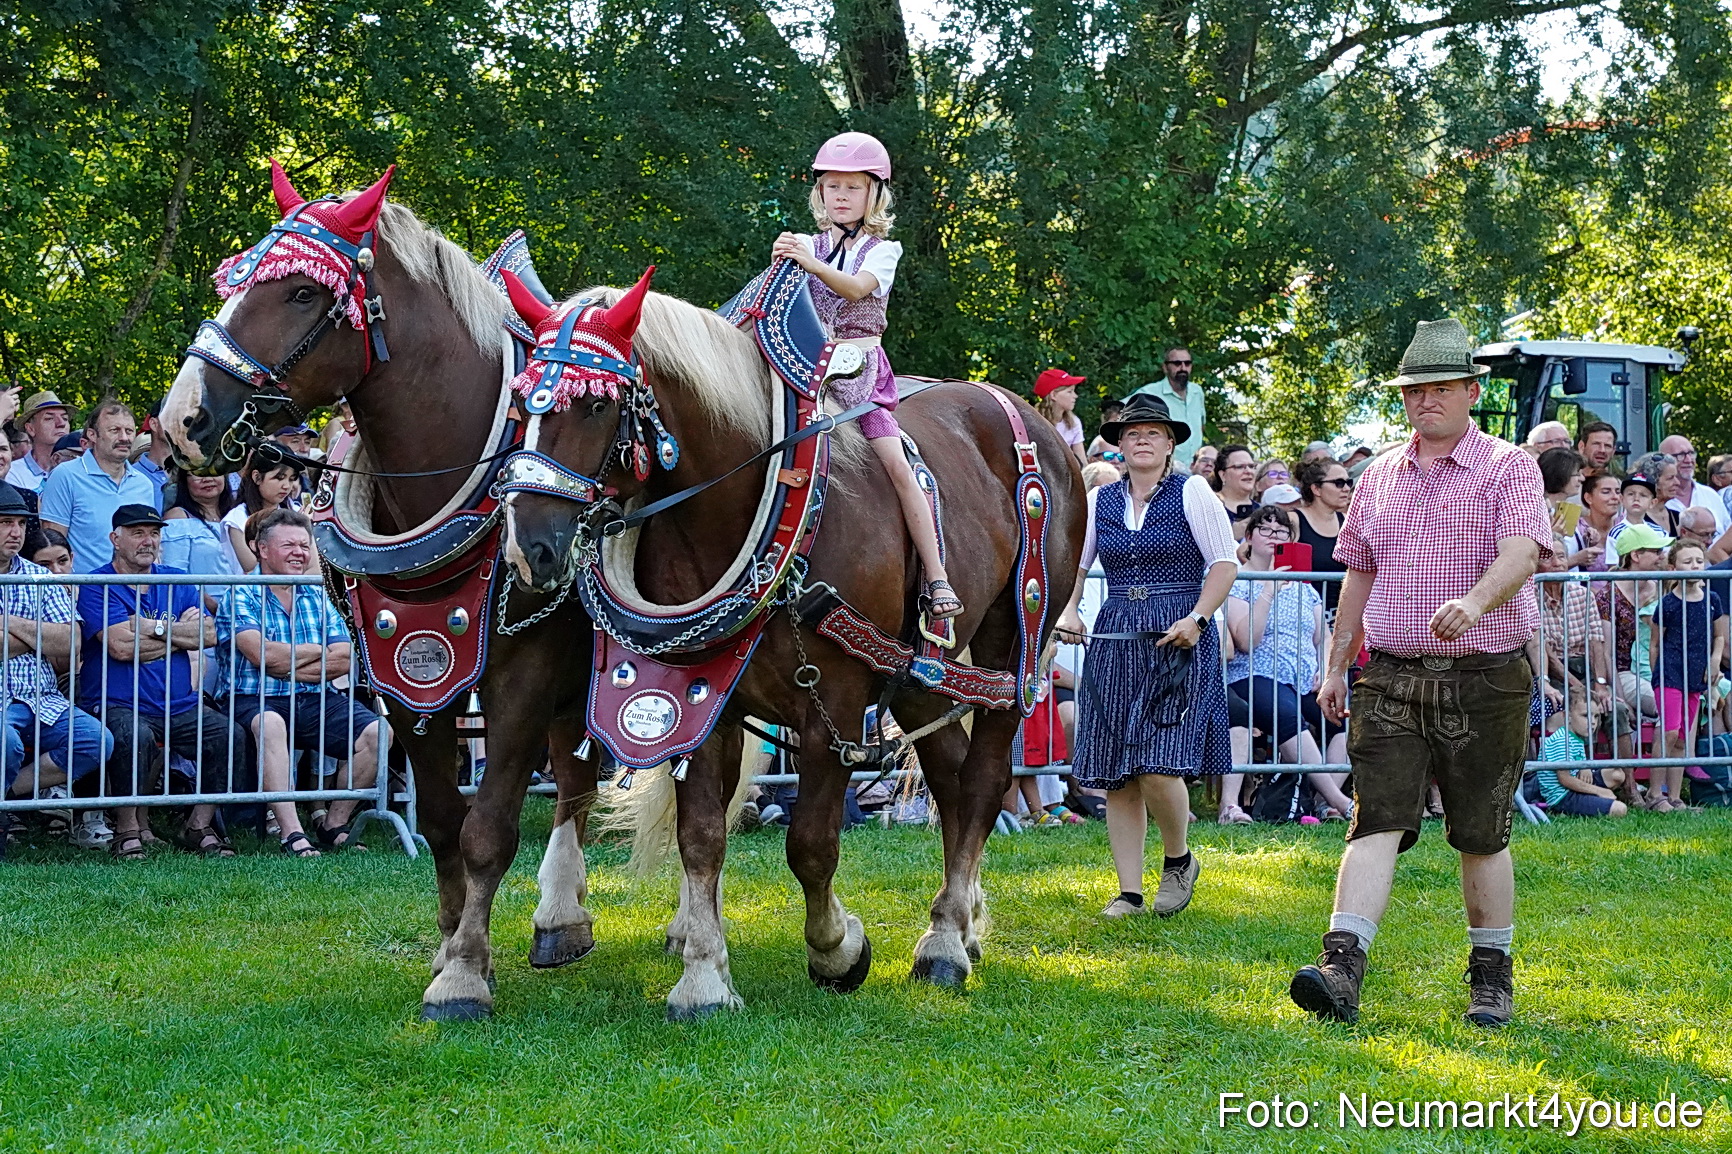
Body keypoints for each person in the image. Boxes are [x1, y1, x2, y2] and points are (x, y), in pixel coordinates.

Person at [1289, 318, 1552, 1029]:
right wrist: (1337, 664)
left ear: (1471, 391)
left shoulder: (1509, 466)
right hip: (1391, 676)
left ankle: (1490, 979)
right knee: (1375, 821)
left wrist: (1473, 601)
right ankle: (1341, 968)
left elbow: (1525, 552)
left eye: (1439, 388)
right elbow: (1358, 576)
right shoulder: (1376, 475)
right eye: (1413, 390)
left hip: (1487, 676)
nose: (1424, 400)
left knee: (1481, 832)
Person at [1055, 392, 1236, 919]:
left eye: (1152, 432)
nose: (1141, 440)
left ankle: (1179, 860)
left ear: (1170, 442)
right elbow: (1079, 568)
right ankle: (1129, 891)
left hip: (1176, 634)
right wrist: (1069, 611)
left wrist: (1197, 619)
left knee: (1157, 762)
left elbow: (1224, 564)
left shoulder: (1192, 490)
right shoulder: (1102, 502)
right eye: (1132, 433)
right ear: (1119, 443)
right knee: (1118, 771)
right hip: (1116, 634)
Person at [770, 131, 962, 620]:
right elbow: (777, 305)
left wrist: (807, 263)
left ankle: (937, 576)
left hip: (859, 377)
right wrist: (779, 270)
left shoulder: (883, 251)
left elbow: (856, 290)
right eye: (831, 186)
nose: (840, 196)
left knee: (895, 464)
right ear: (819, 193)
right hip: (805, 373)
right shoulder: (803, 244)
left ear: (873, 195)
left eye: (852, 187)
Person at [77, 505, 244, 859]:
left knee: (229, 736)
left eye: (154, 533)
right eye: (137, 533)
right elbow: (120, 647)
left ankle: (198, 825)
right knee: (132, 735)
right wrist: (180, 634)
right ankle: (127, 830)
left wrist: (150, 627)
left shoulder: (176, 578)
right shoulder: (97, 584)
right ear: (115, 538)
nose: (148, 541)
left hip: (178, 703)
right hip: (115, 701)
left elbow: (211, 633)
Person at [217, 508, 386, 856]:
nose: (300, 553)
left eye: (305, 545)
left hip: (313, 696)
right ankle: (292, 833)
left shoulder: (319, 592)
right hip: (252, 697)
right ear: (262, 550)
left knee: (379, 733)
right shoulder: (239, 593)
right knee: (272, 724)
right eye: (288, 545)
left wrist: (285, 662)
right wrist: (312, 653)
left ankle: (334, 823)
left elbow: (342, 659)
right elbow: (263, 658)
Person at [0, 483, 114, 859]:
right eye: (5, 523)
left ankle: (5, 798)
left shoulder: (39, 577)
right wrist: (38, 635)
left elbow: (70, 643)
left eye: (19, 523)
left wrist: (8, 622)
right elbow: (54, 638)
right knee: (6, 743)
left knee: (96, 740)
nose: (15, 532)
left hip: (43, 698)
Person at [1223, 506, 1354, 818]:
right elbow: (1246, 640)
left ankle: (1319, 802)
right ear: (1249, 537)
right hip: (1253, 675)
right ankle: (1339, 800)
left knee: (1345, 719)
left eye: (1282, 532)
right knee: (1286, 713)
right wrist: (1267, 589)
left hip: (1303, 678)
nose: (1274, 536)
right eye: (1266, 530)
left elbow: (1323, 638)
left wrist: (1324, 670)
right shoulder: (1239, 582)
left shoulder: (1305, 588)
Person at [1649, 539, 1727, 811]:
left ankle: (1675, 796)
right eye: (1687, 561)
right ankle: (1654, 793)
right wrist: (1656, 674)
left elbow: (1719, 635)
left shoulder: (1712, 599)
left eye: (1698, 560)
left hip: (1696, 676)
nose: (1694, 566)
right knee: (1668, 732)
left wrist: (1715, 660)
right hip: (1670, 673)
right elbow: (1656, 643)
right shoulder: (1668, 604)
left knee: (1683, 738)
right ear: (1673, 567)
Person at [40, 399, 157, 573]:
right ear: (92, 435)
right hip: (83, 593)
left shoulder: (143, 484)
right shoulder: (66, 475)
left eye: (129, 431)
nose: (124, 438)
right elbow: (53, 545)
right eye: (114, 431)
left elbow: (150, 543)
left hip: (134, 594)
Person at [1532, 693, 1628, 818]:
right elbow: (1564, 779)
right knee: (1620, 809)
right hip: (1563, 797)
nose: (1593, 722)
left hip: (1574, 784)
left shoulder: (1576, 736)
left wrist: (1585, 767)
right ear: (1568, 716)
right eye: (1585, 715)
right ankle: (1562, 811)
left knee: (1617, 774)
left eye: (1596, 716)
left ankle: (1590, 801)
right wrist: (1600, 791)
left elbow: (1576, 761)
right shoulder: (1562, 740)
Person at [225, 450, 305, 572]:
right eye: (279, 478)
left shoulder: (296, 511)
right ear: (257, 477)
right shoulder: (237, 519)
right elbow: (252, 567)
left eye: (291, 479)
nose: (286, 486)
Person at [1294, 458, 1353, 621]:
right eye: (1338, 483)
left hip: (1341, 618)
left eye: (1348, 482)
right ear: (1316, 489)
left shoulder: (1349, 521)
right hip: (1305, 618)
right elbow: (1246, 551)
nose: (1347, 488)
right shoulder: (1293, 520)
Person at [1131, 347, 1206, 469]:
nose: (1183, 368)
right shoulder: (1150, 393)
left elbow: (1201, 426)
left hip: (1193, 470)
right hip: (1165, 470)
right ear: (1165, 367)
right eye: (1177, 363)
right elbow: (1116, 412)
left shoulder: (1197, 392)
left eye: (1187, 363)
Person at [162, 470, 244, 579]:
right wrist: (202, 596)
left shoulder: (237, 514)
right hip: (197, 595)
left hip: (240, 594)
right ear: (185, 480)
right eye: (198, 474)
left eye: (214, 472)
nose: (208, 479)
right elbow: (173, 572)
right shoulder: (178, 516)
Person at [1658, 434, 1730, 537]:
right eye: (1680, 455)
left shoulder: (1710, 496)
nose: (1688, 460)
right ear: (1663, 461)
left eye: (1691, 453)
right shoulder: (1654, 501)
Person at [5, 391, 71, 494]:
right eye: (49, 418)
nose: (61, 424)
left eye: (65, 418)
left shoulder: (82, 468)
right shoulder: (12, 473)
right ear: (30, 429)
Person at [1033, 369, 1087, 466]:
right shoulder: (1034, 422)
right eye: (1070, 392)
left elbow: (1082, 461)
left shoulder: (1074, 422)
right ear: (1053, 395)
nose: (1075, 396)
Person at [1569, 470, 1620, 571]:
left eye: (1618, 492)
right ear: (1588, 498)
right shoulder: (1575, 529)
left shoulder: (1625, 527)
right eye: (1606, 492)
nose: (1615, 497)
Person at [133, 400, 177, 511]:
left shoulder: (192, 475)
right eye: (172, 417)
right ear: (153, 424)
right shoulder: (129, 476)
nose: (179, 424)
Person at [1629, 451, 1681, 536]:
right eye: (1670, 478)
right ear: (1653, 481)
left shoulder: (1677, 517)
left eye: (1676, 477)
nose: (1677, 482)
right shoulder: (1636, 519)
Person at [1210, 444, 1258, 535]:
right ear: (1223, 475)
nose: (1248, 471)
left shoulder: (1263, 511)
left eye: (1251, 466)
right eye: (1239, 467)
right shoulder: (1209, 507)